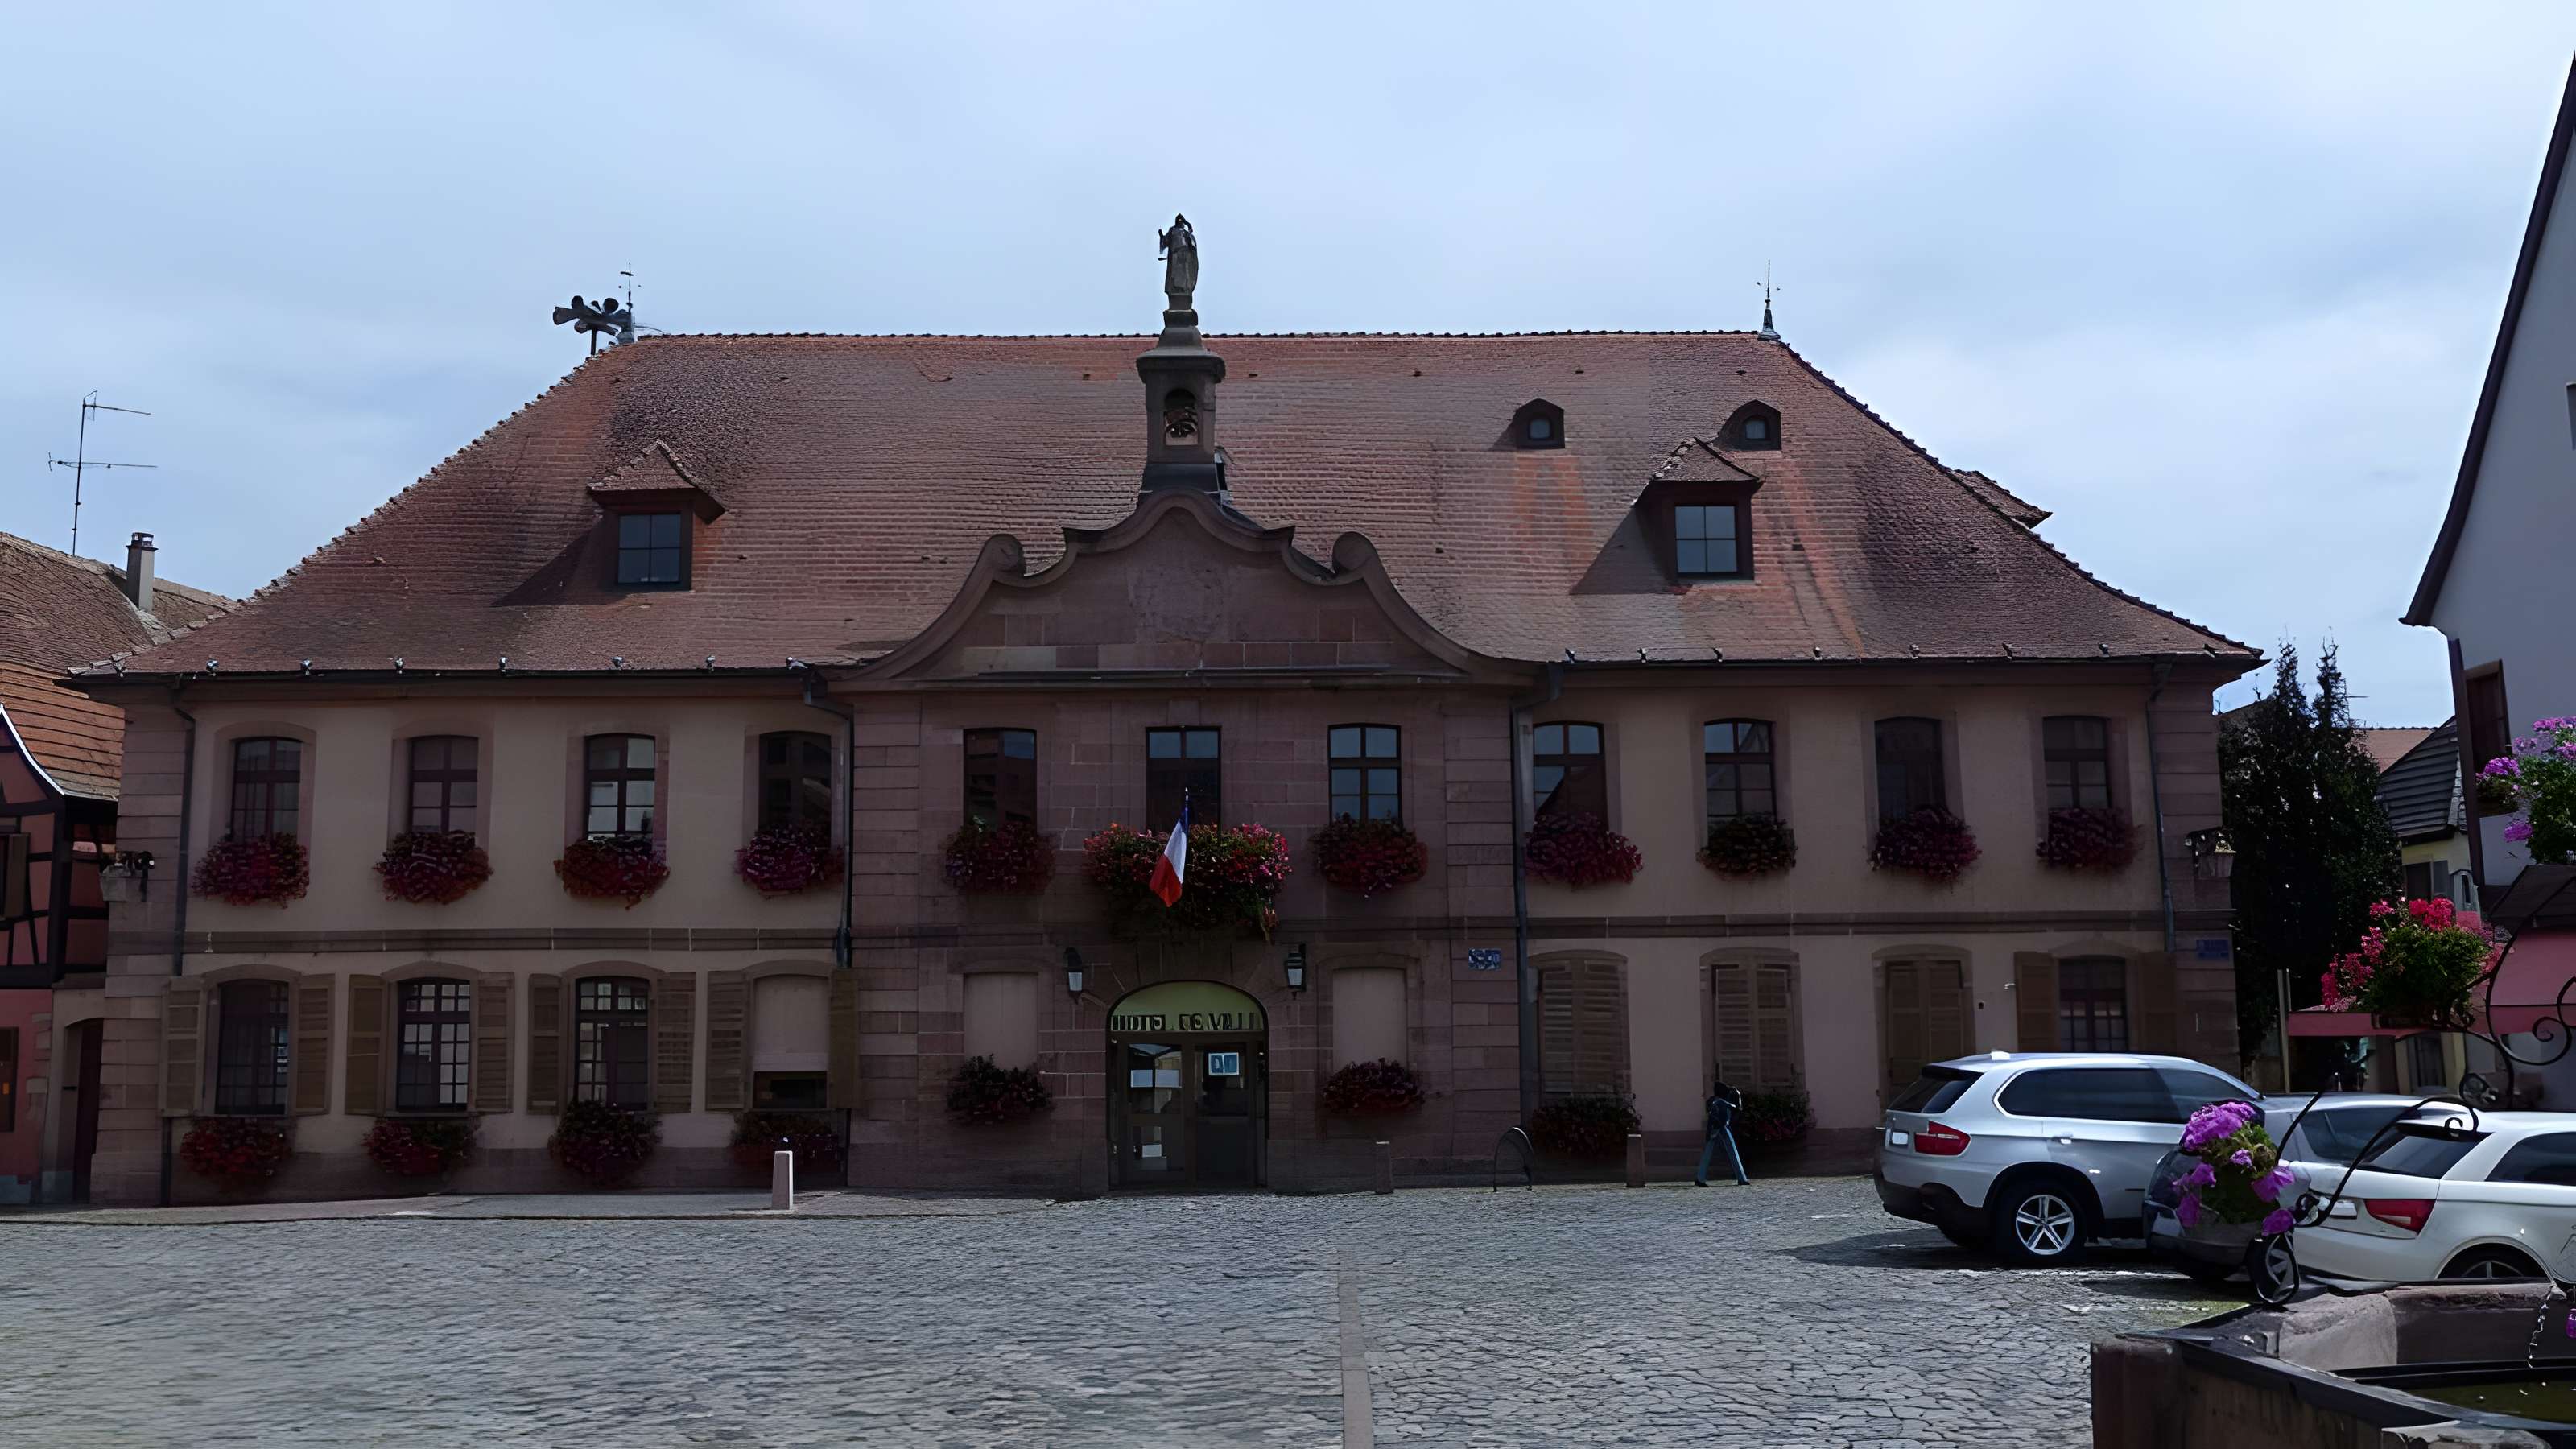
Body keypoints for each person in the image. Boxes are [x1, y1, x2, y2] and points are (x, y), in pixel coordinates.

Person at [1696, 1076, 1749, 1187]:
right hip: (1721, 1127)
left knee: (1709, 1152)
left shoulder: (1714, 1102)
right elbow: (1737, 1108)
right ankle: (1742, 1178)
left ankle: (1700, 1178)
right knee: (1732, 1152)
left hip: (1717, 1128)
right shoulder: (1721, 1102)